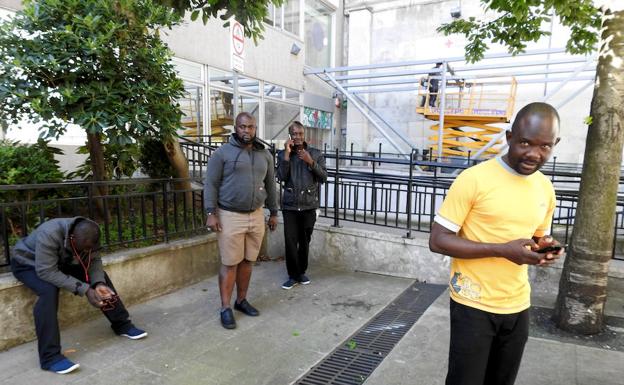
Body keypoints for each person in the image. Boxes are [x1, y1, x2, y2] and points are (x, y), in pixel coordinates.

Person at [428, 102, 564, 385]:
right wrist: (502, 250)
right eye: (525, 142)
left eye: (544, 146)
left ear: (555, 144)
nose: (533, 154)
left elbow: (538, 236)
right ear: (509, 137)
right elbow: (438, 241)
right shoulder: (474, 179)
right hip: (472, 303)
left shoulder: (545, 188)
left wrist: (546, 248)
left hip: (518, 304)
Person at [10, 217, 147, 375]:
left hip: (60, 263)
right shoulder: (50, 233)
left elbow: (94, 261)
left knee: (101, 278)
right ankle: (50, 357)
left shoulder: (91, 234)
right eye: (83, 248)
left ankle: (122, 324)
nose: (86, 252)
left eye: (89, 248)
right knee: (48, 290)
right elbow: (46, 271)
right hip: (30, 264)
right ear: (71, 239)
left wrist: (98, 284)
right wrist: (86, 290)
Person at [204, 111, 279, 329]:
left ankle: (241, 301)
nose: (247, 131)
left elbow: (271, 185)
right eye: (243, 127)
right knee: (230, 263)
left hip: (256, 214)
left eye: (251, 127)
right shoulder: (222, 154)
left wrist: (273, 212)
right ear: (236, 128)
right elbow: (211, 184)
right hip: (230, 216)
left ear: (255, 129)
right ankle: (225, 307)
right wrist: (211, 212)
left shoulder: (264, 155)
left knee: (248, 261)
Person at [276, 121, 327, 290]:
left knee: (304, 241)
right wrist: (286, 155)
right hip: (290, 206)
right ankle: (293, 275)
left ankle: (301, 272)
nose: (297, 137)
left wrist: (310, 161)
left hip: (308, 206)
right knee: (290, 242)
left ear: (304, 135)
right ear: (290, 135)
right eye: (294, 134)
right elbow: (282, 177)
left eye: (300, 133)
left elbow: (323, 177)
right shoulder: (284, 153)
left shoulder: (315, 153)